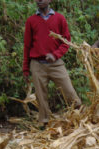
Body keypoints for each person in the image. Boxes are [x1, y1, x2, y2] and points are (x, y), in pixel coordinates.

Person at [23, 0, 81, 128]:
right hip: (37, 64)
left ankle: (80, 115)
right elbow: (27, 45)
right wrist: (26, 69)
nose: (39, 0)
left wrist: (55, 55)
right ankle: (44, 123)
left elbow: (66, 41)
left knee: (69, 91)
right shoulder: (31, 20)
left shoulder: (59, 18)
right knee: (41, 96)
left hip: (56, 63)